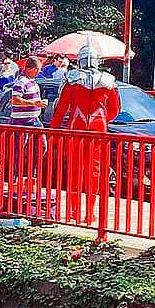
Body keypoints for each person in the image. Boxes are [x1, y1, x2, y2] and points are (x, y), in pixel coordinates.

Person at [49, 44, 120, 223]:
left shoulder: (72, 79)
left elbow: (60, 109)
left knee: (74, 171)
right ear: (98, 61)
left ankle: (75, 211)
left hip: (76, 130)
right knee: (94, 172)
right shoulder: (108, 81)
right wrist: (102, 120)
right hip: (98, 131)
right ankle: (89, 213)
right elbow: (115, 109)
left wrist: (54, 131)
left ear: (79, 60)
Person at [10, 57, 47, 127]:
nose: (38, 72)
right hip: (21, 122)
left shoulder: (32, 81)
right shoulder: (21, 82)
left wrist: (39, 103)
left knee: (42, 137)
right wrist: (35, 103)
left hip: (33, 120)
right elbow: (14, 100)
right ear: (31, 69)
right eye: (37, 69)